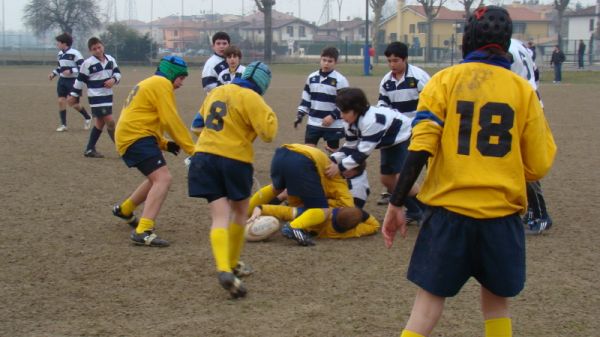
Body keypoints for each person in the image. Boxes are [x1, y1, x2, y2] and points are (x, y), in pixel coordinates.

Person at [381, 6, 556, 337]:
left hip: (448, 215)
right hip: (501, 217)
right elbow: (538, 165)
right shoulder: (522, 91)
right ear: (506, 44)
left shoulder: (444, 81)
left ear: (466, 40)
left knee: (427, 303)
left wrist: (397, 202)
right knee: (497, 303)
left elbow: (420, 147)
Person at [188, 61, 277, 299]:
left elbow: (196, 126)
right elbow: (268, 133)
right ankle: (234, 261)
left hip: (204, 157)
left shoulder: (218, 90)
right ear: (263, 85)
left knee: (219, 216)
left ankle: (225, 269)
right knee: (240, 213)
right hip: (234, 160)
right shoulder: (253, 98)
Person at [112, 56, 195, 247]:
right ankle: (143, 230)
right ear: (172, 73)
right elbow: (170, 119)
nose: (182, 83)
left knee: (155, 178)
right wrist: (192, 149)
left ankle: (125, 210)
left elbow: (145, 116)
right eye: (181, 78)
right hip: (136, 137)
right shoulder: (161, 83)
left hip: (131, 135)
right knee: (163, 179)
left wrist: (164, 143)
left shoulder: (149, 82)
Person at [248, 143, 376, 245]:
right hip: (303, 162)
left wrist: (261, 207)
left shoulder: (333, 168)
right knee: (322, 209)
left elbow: (288, 210)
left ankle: (245, 211)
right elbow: (370, 222)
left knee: (277, 188)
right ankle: (294, 227)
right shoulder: (338, 181)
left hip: (283, 152)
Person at [325, 88, 414, 219]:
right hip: (388, 142)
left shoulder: (372, 121)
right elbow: (350, 146)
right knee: (388, 180)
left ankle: (423, 209)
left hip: (403, 137)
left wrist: (339, 167)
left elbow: (362, 153)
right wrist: (331, 159)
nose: (342, 116)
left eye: (345, 112)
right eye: (340, 111)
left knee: (402, 179)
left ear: (357, 109)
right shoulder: (349, 121)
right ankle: (416, 211)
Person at [375, 41, 430, 216]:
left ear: (405, 59)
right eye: (389, 61)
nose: (392, 65)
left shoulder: (419, 77)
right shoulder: (386, 81)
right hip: (396, 132)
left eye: (396, 60)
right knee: (389, 177)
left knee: (406, 173)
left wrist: (420, 125)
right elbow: (383, 104)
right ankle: (416, 211)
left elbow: (430, 104)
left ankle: (426, 209)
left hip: (417, 131)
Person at [509, 39, 553, 235]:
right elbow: (534, 73)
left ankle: (541, 214)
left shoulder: (503, 48)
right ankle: (532, 211)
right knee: (519, 162)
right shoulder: (518, 45)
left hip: (520, 106)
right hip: (530, 101)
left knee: (522, 163)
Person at [68, 37, 121, 158]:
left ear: (103, 46)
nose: (97, 50)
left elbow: (117, 73)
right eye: (94, 49)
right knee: (110, 122)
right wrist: (73, 95)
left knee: (100, 123)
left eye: (99, 47)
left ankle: (89, 149)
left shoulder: (111, 59)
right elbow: (79, 80)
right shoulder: (87, 63)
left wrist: (113, 79)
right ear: (90, 51)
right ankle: (122, 149)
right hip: (96, 97)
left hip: (108, 96)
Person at [293, 46, 349, 153]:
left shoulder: (340, 80)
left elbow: (345, 103)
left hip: (333, 124)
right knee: (309, 154)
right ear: (320, 59)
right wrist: (300, 115)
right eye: (324, 60)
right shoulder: (311, 78)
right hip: (313, 123)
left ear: (335, 63)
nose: (326, 63)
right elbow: (306, 99)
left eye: (330, 61)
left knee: (332, 155)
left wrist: (332, 116)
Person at [48, 32, 92, 132]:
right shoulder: (60, 54)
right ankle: (63, 125)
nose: (57, 44)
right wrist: (53, 74)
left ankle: (87, 117)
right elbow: (60, 68)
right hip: (62, 80)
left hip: (74, 81)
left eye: (58, 42)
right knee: (61, 101)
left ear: (65, 43)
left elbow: (82, 68)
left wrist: (71, 71)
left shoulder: (75, 53)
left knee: (73, 103)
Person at [190, 31, 230, 134]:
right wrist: (226, 89)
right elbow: (207, 85)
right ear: (213, 46)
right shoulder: (211, 63)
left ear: (229, 45)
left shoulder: (230, 60)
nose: (221, 46)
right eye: (218, 43)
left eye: (224, 43)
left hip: (230, 102)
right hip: (215, 102)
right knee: (197, 126)